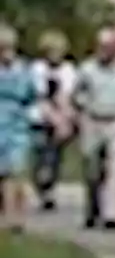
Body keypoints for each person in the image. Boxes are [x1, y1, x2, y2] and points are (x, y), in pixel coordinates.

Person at [74, 27, 115, 230]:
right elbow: (77, 93)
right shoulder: (87, 69)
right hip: (93, 120)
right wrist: (83, 106)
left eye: (109, 47)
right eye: (102, 47)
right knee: (92, 168)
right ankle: (92, 209)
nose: (105, 51)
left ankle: (113, 214)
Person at [29, 29, 77, 212]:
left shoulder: (68, 70)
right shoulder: (37, 69)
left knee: (55, 156)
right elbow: (40, 96)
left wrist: (64, 120)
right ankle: (40, 186)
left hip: (61, 116)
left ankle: (50, 188)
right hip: (40, 117)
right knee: (40, 153)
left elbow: (65, 95)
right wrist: (52, 117)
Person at [0, 24, 37, 232]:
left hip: (17, 125)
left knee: (17, 171)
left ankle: (18, 217)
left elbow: (31, 95)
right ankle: (6, 215)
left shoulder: (23, 70)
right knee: (3, 173)